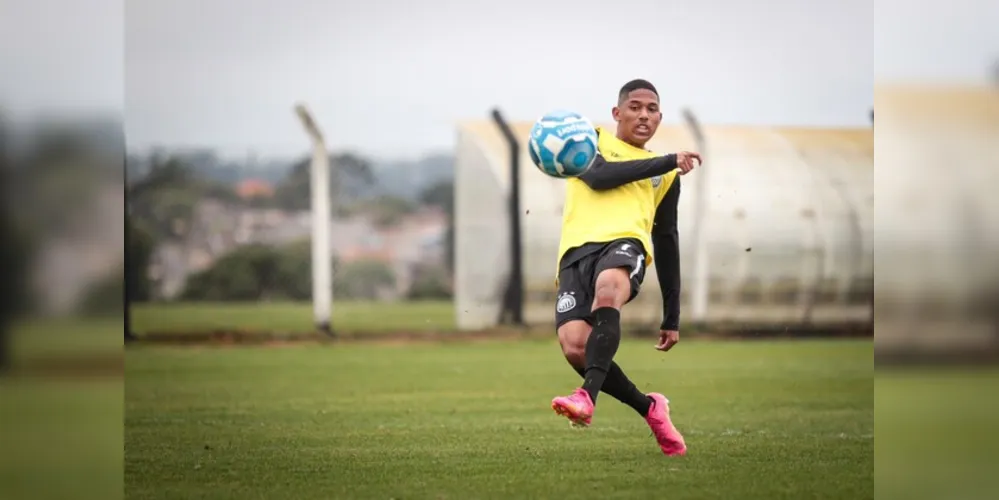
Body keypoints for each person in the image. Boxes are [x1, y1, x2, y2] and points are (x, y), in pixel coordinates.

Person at [549, 79, 700, 456]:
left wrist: (673, 314)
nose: (643, 115)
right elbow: (599, 179)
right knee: (575, 348)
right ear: (617, 113)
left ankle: (586, 397)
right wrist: (668, 160)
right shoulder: (590, 141)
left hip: (624, 246)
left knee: (609, 289)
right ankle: (650, 408)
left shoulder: (665, 177)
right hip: (575, 255)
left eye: (652, 109)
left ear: (660, 118)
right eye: (635, 107)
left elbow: (666, 241)